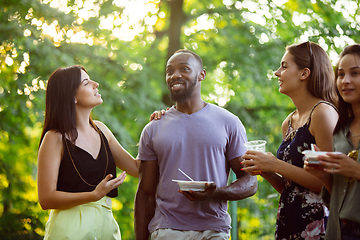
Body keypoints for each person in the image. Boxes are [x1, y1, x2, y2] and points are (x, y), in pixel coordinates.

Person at [134, 49, 257, 240]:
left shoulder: (228, 122)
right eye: (169, 71)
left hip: (214, 231)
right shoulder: (153, 128)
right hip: (167, 230)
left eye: (184, 69)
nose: (175, 75)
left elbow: (249, 181)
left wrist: (216, 193)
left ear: (201, 74)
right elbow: (145, 193)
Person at [241, 41, 338, 239]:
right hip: (289, 222)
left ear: (304, 73)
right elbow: (291, 189)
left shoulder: (323, 113)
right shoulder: (289, 122)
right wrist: (266, 170)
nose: (277, 73)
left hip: (318, 225)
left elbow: (328, 185)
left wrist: (275, 163)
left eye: (284, 66)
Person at [37, 65, 139, 240]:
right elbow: (46, 198)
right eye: (86, 82)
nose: (96, 84)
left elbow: (138, 169)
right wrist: (93, 196)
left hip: (106, 228)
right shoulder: (54, 138)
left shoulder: (102, 130)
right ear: (72, 96)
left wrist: (160, 126)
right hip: (68, 231)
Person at [304, 44, 360, 240]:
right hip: (338, 231)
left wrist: (356, 171)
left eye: (355, 73)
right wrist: (323, 176)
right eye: (341, 74)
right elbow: (336, 195)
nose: (345, 81)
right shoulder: (340, 131)